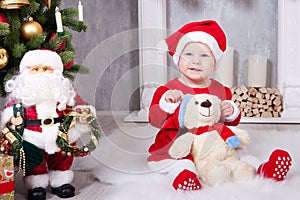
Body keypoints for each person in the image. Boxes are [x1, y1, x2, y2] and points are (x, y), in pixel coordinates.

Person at [147, 20, 292, 190]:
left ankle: (264, 169)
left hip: (212, 143)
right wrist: (166, 103)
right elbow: (155, 120)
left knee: (239, 153)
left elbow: (230, 122)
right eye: (189, 54)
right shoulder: (169, 89)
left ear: (215, 63)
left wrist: (230, 111)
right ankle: (185, 178)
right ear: (178, 59)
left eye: (204, 55)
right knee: (181, 162)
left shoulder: (219, 89)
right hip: (180, 144)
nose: (196, 61)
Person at [0, 49, 96, 200]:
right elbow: (9, 113)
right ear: (26, 72)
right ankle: (36, 185)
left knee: (62, 158)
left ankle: (61, 181)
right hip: (33, 136)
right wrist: (12, 120)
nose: (40, 73)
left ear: (56, 73)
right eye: (35, 69)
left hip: (61, 134)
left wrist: (82, 115)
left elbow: (81, 107)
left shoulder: (65, 93)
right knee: (35, 161)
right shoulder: (22, 95)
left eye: (46, 69)